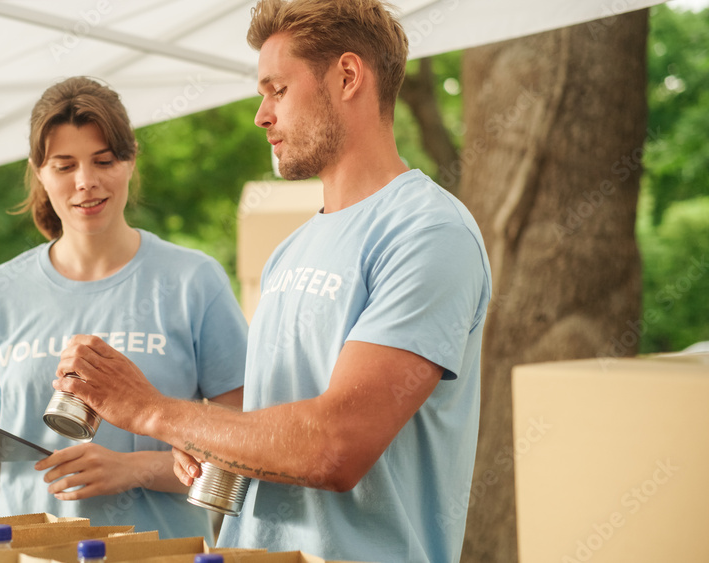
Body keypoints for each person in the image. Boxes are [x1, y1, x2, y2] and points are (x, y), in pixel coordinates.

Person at [51, 1, 492, 561]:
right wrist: (209, 441)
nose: (261, 115)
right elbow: (273, 429)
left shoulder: (428, 233)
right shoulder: (292, 250)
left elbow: (335, 446)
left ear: (349, 77)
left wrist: (150, 411)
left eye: (277, 90)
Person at [0, 76, 247, 541]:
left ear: (131, 159)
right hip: (27, 550)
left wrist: (136, 469)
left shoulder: (192, 280)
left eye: (103, 161)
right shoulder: (2, 289)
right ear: (39, 172)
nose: (86, 182)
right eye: (64, 166)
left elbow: (246, 449)